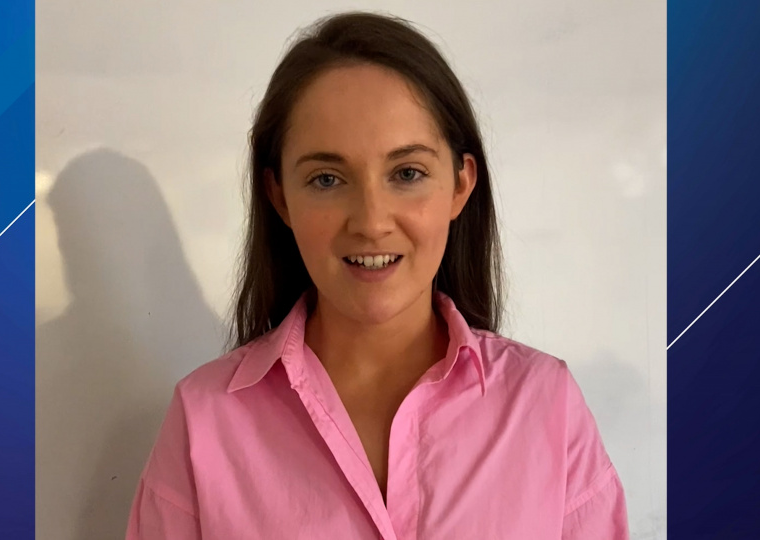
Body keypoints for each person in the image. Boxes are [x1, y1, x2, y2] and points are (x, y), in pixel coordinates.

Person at [125, 10, 629, 539]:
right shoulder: (204, 420)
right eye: (326, 179)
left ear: (460, 185)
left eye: (407, 173)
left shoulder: (546, 404)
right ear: (279, 197)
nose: (370, 222)